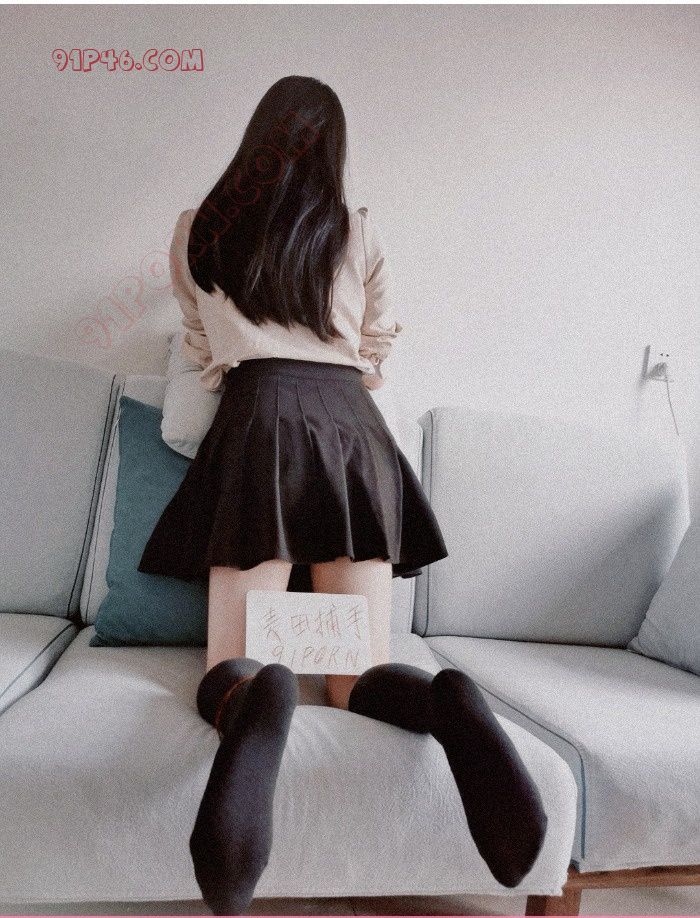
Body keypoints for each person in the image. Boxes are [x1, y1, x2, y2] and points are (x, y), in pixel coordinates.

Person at [137, 74, 547, 916]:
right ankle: (444, 704)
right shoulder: (358, 231)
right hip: (355, 435)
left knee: (229, 668)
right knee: (354, 674)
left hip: (259, 421)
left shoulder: (197, 230)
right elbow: (375, 346)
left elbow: (201, 343)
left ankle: (258, 699)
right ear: (333, 149)